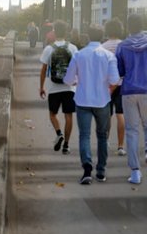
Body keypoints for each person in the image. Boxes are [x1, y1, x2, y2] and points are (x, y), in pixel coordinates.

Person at [63, 25, 119, 184]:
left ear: (88, 36)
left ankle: (87, 169)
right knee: (102, 136)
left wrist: (76, 80)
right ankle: (101, 171)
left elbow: (68, 80)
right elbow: (114, 80)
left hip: (82, 101)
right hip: (102, 101)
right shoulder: (109, 56)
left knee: (84, 135)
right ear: (103, 37)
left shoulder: (79, 55)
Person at [116, 14, 147, 185]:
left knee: (132, 131)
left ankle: (135, 172)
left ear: (128, 27)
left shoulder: (122, 46)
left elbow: (120, 71)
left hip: (128, 91)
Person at [39, 20, 78, 154]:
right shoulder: (73, 48)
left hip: (53, 87)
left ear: (54, 32)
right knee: (69, 116)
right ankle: (66, 144)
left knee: (52, 114)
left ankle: (59, 133)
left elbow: (43, 70)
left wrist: (41, 87)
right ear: (66, 32)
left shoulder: (49, 49)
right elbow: (77, 68)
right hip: (70, 87)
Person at [101, 18, 126, 156]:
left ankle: (105, 142)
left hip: (108, 85)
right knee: (120, 114)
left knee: (107, 115)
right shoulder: (123, 45)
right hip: (122, 84)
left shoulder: (103, 47)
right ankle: (121, 146)